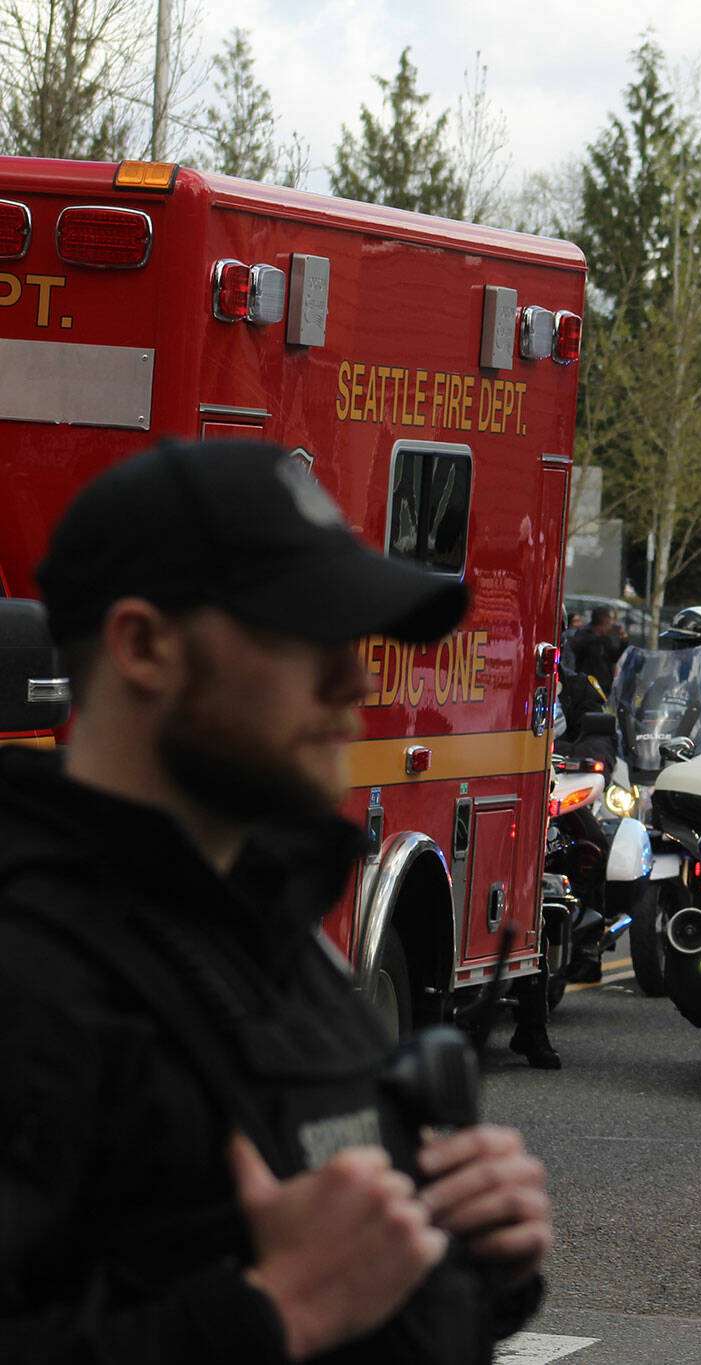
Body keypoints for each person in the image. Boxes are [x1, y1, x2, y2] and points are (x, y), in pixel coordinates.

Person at [0, 439, 553, 1362]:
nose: (355, 679)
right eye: (302, 631)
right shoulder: (30, 974)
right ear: (144, 646)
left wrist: (466, 1261)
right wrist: (274, 1312)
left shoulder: (279, 941)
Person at [568, 604, 626, 692]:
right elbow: (575, 647)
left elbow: (614, 657)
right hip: (587, 687)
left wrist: (623, 643)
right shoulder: (585, 634)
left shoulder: (605, 638)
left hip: (604, 687)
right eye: (608, 622)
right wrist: (597, 637)